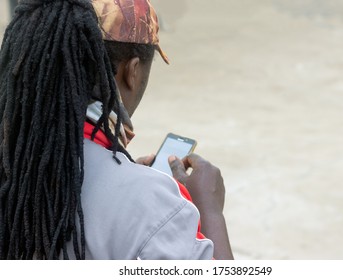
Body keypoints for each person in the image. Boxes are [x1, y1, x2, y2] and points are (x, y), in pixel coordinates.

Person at [0, 0, 233, 260]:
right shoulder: (153, 207)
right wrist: (210, 212)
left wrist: (123, 175)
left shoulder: (14, 159)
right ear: (132, 72)